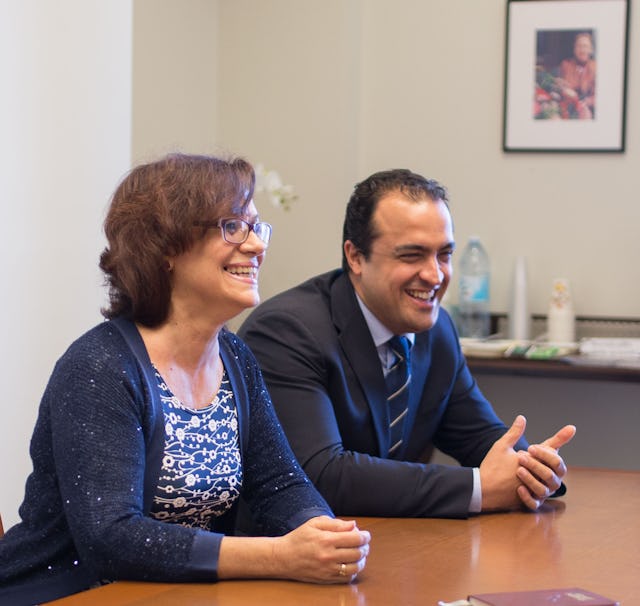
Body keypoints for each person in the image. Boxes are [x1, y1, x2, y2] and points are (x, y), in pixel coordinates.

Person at [0, 154, 370, 605]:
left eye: (256, 227)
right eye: (233, 226)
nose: (256, 245)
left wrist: (323, 534)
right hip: (61, 594)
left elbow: (279, 484)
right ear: (166, 247)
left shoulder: (234, 356)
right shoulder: (99, 367)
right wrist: (279, 556)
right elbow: (111, 538)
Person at [239, 168, 576, 519]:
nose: (434, 275)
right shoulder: (287, 331)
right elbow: (322, 475)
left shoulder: (437, 327)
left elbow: (479, 434)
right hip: (288, 555)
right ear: (355, 257)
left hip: (390, 545)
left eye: (444, 255)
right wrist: (479, 489)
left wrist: (531, 470)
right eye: (412, 255)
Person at [557, 31, 596, 119]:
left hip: (588, 109)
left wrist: (588, 101)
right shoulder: (565, 65)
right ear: (574, 49)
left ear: (590, 50)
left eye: (585, 46)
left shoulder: (596, 67)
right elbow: (559, 87)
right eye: (579, 46)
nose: (582, 49)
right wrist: (562, 88)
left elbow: (601, 95)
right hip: (567, 108)